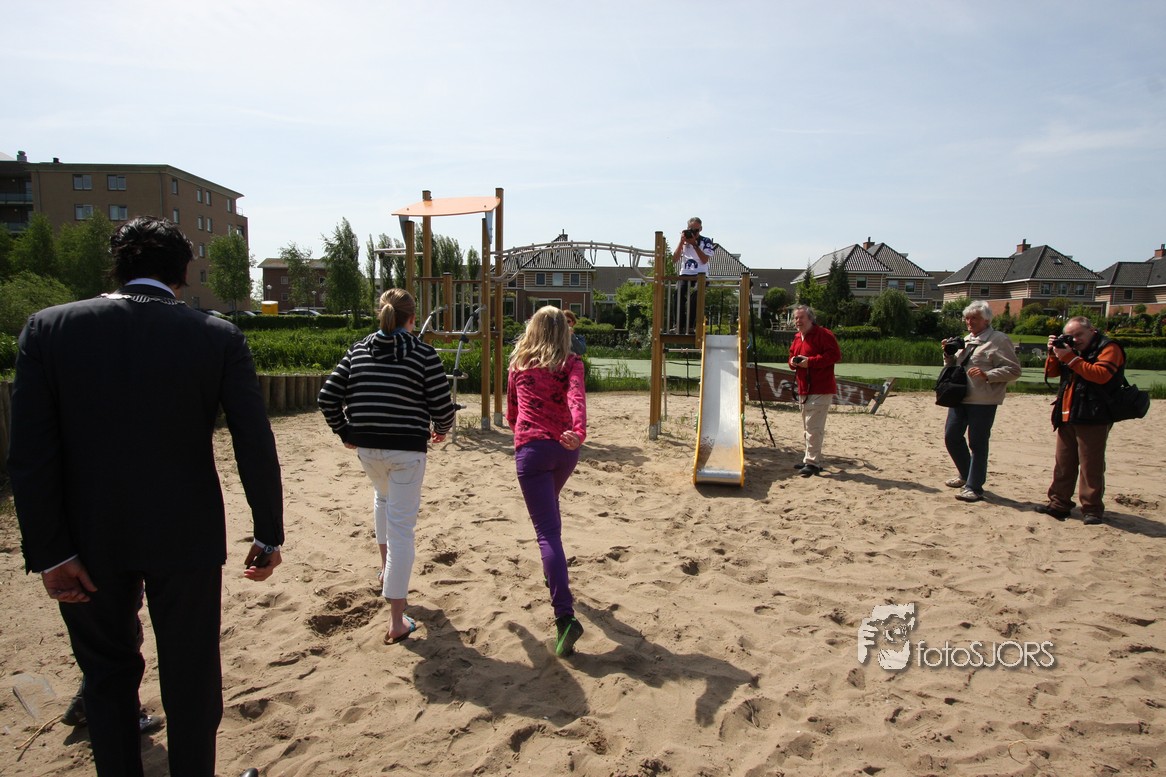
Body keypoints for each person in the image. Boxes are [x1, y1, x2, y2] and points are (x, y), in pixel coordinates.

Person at [7, 216, 284, 777]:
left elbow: (30, 454)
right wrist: (267, 532)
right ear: (183, 273)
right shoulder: (216, 336)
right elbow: (253, 440)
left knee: (106, 675)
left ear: (116, 266)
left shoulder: (48, 329)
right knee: (191, 671)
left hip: (86, 538)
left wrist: (51, 552)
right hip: (186, 531)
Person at [318, 289, 456, 644]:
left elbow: (327, 396)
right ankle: (397, 620)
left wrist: (345, 431)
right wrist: (441, 429)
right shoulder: (423, 354)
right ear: (412, 319)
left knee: (382, 498)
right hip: (406, 449)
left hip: (368, 449)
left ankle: (384, 569)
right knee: (402, 530)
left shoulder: (358, 349)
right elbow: (442, 405)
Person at [506, 306, 588, 656]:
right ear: (564, 332)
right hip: (565, 450)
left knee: (546, 534)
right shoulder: (572, 363)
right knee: (550, 515)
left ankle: (564, 618)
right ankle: (553, 573)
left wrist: (528, 432)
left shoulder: (519, 365)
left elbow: (511, 414)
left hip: (532, 450)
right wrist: (578, 433)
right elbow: (576, 398)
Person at [1035, 316, 1126, 525]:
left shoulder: (1109, 348)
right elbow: (1052, 373)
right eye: (1070, 336)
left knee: (1090, 465)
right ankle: (1059, 504)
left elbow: (1101, 375)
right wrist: (1054, 353)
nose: (1075, 340)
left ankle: (1092, 509)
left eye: (1079, 335)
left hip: (1094, 414)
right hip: (1068, 412)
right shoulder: (1070, 350)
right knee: (1063, 463)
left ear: (1092, 331)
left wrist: (1069, 357)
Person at [941, 300, 1021, 502]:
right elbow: (954, 366)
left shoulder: (998, 340)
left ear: (986, 320)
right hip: (959, 397)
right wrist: (948, 354)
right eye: (967, 318)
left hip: (983, 401)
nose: (970, 322)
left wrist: (988, 375)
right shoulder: (966, 340)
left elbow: (1014, 370)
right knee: (951, 437)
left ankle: (974, 487)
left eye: (974, 318)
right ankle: (966, 474)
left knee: (977, 443)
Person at [788, 304, 841, 477]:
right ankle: (810, 459)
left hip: (820, 388)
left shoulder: (824, 334)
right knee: (808, 427)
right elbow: (791, 356)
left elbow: (834, 356)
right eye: (796, 318)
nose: (798, 321)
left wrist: (810, 362)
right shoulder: (797, 338)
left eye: (801, 317)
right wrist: (793, 362)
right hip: (804, 388)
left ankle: (812, 463)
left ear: (810, 319)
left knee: (813, 427)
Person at [670, 217, 715, 334]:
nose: (693, 233)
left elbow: (704, 260)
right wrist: (681, 242)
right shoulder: (684, 241)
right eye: (691, 230)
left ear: (700, 229)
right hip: (685, 273)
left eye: (696, 230)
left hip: (701, 274)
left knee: (696, 294)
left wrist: (695, 245)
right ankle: (678, 324)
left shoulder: (706, 241)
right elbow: (674, 259)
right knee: (678, 293)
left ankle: (690, 325)